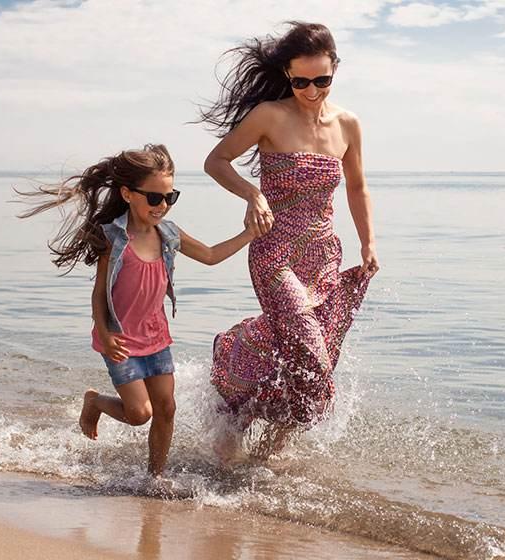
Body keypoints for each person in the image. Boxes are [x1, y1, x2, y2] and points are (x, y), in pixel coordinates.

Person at [199, 22, 379, 459]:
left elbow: (357, 188)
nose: (312, 90)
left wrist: (368, 243)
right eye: (300, 81)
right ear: (287, 75)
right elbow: (215, 161)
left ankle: (266, 448)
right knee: (308, 348)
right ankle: (232, 351)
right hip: (274, 251)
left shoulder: (349, 124)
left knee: (309, 355)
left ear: (334, 70)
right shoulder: (269, 116)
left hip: (323, 256)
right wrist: (253, 192)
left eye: (322, 80)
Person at [18, 144, 253, 476]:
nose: (162, 207)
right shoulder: (113, 238)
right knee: (140, 413)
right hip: (121, 340)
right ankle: (95, 402)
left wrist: (250, 233)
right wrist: (103, 331)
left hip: (156, 336)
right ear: (127, 194)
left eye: (169, 198)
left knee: (166, 408)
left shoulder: (169, 234)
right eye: (154, 198)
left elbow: (211, 255)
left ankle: (154, 479)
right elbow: (99, 293)